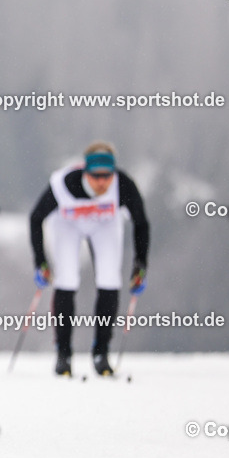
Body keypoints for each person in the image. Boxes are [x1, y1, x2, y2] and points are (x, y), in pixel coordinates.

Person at [29, 141, 149, 377]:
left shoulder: (123, 185)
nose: (103, 182)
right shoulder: (64, 185)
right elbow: (35, 218)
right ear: (86, 172)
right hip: (67, 224)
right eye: (97, 177)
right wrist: (40, 262)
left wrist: (140, 264)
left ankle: (101, 353)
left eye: (108, 176)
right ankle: (63, 355)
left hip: (105, 224)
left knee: (109, 278)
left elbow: (141, 223)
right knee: (67, 280)